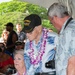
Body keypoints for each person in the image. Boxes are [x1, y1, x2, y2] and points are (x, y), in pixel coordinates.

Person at [47, 2, 75, 75]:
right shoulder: (68, 29)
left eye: (51, 22)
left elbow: (73, 63)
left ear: (55, 17)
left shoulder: (70, 31)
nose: (52, 25)